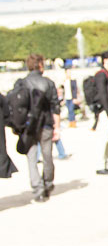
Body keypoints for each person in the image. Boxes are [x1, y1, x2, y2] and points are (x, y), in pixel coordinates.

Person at [22, 54, 61, 202]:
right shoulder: (48, 83)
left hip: (29, 126)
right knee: (47, 156)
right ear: (40, 65)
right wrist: (57, 126)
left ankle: (37, 188)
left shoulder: (23, 83)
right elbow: (55, 106)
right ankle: (48, 183)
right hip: (45, 124)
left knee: (31, 158)